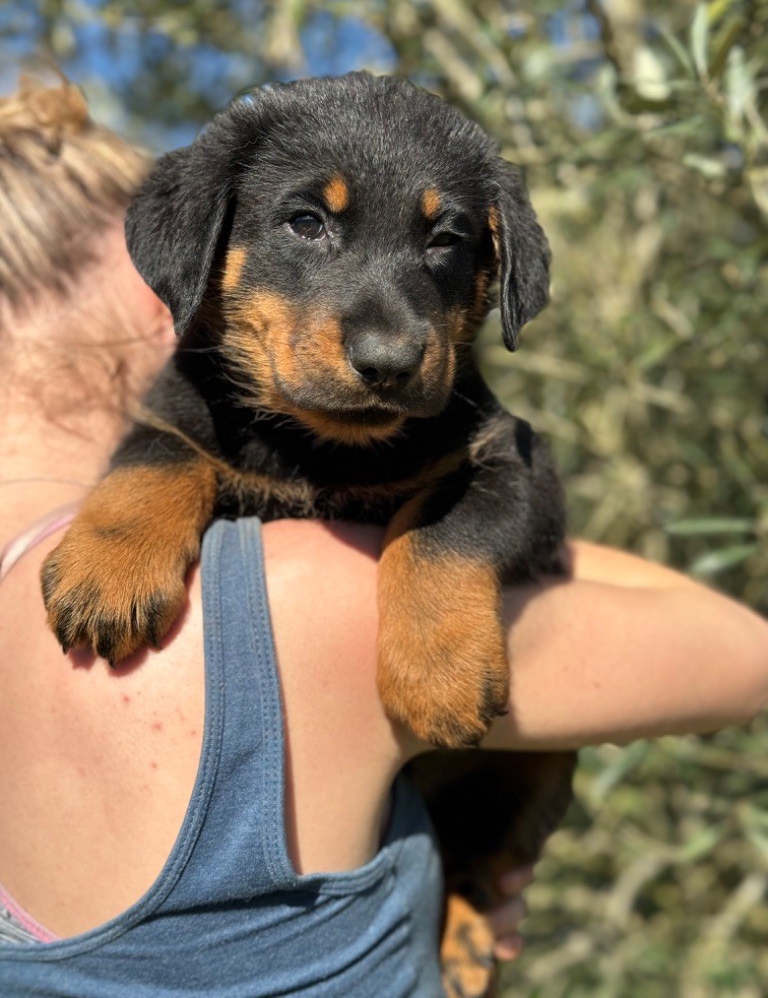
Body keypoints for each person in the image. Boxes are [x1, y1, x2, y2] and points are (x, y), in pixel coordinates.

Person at [0, 75, 766, 997]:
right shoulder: (255, 533)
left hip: (447, 803)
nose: (391, 339)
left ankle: (470, 878)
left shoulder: (457, 438)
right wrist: (141, 507)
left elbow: (507, 474)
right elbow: (744, 654)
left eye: (443, 244)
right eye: (306, 225)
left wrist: (437, 558)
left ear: (489, 275)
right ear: (188, 253)